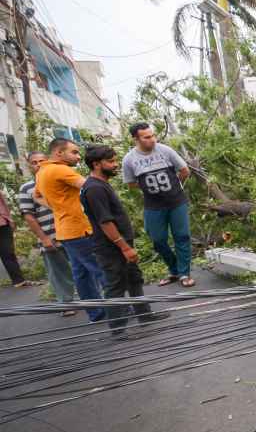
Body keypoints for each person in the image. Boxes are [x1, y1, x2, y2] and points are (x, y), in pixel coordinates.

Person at [81, 145, 166, 338]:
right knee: (115, 286)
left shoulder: (101, 183)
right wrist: (125, 247)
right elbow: (105, 222)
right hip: (111, 248)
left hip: (120, 245)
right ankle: (118, 330)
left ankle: (144, 316)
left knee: (134, 279)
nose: (115, 164)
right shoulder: (94, 188)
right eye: (110, 161)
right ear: (96, 164)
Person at [34, 138, 106, 323]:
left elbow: (37, 196)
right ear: (59, 153)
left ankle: (96, 313)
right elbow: (92, 186)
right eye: (73, 152)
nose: (78, 156)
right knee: (101, 269)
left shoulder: (42, 171)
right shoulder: (60, 169)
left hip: (65, 230)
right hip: (79, 229)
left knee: (81, 274)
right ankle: (125, 308)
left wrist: (58, 207)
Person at [122, 122, 195, 287]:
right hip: (153, 206)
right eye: (147, 137)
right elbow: (131, 184)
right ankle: (174, 269)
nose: (152, 139)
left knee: (182, 237)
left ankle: (184, 273)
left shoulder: (165, 151)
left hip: (177, 202)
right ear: (136, 139)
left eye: (153, 135)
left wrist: (177, 187)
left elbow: (185, 171)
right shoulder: (129, 159)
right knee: (158, 240)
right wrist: (150, 191)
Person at [18, 151, 76, 315]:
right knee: (58, 273)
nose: (38, 165)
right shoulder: (27, 188)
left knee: (84, 267)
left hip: (72, 232)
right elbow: (29, 217)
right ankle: (66, 305)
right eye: (34, 162)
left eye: (41, 161)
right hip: (50, 236)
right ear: (30, 166)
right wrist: (43, 238)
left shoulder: (59, 179)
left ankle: (94, 300)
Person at [0, 188, 35, 288]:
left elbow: (3, 204)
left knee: (8, 252)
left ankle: (18, 281)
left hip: (2, 224)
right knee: (8, 253)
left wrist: (10, 219)